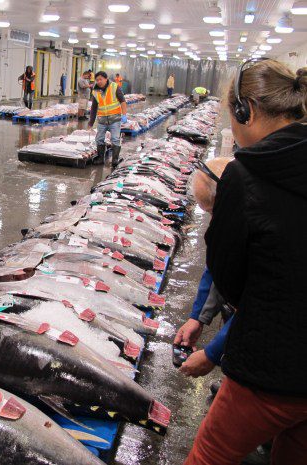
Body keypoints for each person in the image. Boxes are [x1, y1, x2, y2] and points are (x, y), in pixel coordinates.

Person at [184, 59, 307, 465]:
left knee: (209, 456)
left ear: (245, 110)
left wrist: (217, 343)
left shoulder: (246, 173)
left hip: (272, 366)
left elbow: (231, 279)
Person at [173, 157, 232, 378]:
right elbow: (215, 267)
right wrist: (198, 317)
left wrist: (212, 353)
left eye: (212, 212)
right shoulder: (230, 225)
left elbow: (259, 308)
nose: (213, 219)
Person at [88, 71, 128, 168]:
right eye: (97, 80)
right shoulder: (95, 91)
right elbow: (94, 107)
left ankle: (115, 160)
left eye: (101, 79)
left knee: (115, 139)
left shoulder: (114, 86)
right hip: (102, 120)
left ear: (106, 79)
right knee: (99, 139)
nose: (99, 81)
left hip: (114, 119)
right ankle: (101, 158)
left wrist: (124, 114)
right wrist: (91, 123)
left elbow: (122, 101)